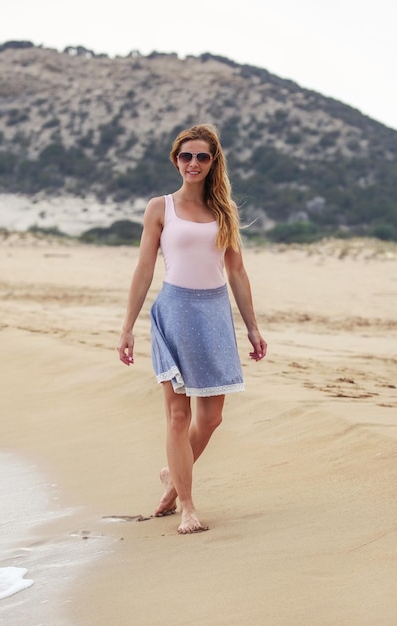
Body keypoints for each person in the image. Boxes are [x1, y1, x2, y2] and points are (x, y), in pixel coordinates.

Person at [117, 124, 267, 534]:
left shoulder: (225, 211)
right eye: (186, 156)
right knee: (178, 415)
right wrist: (127, 326)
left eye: (202, 156)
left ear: (213, 161)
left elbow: (236, 271)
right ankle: (186, 504)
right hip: (175, 311)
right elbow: (145, 267)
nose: (194, 163)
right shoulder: (159, 208)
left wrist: (252, 327)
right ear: (176, 160)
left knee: (212, 417)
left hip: (215, 313)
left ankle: (171, 480)